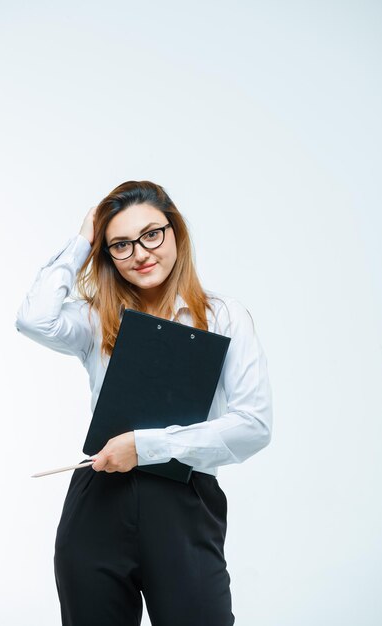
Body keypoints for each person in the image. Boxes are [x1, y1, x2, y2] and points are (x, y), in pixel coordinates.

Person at [15, 180, 273, 626]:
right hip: (98, 499)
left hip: (184, 503)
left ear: (175, 232)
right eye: (120, 244)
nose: (139, 252)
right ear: (107, 252)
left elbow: (253, 426)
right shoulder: (97, 318)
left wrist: (145, 446)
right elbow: (34, 319)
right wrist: (81, 241)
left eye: (152, 234)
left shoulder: (224, 317)